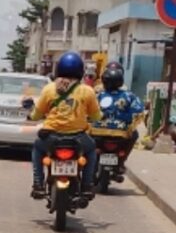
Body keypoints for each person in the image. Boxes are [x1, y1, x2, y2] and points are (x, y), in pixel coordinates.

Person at [23, 51, 102, 200]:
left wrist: (31, 114)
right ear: (81, 71)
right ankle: (86, 186)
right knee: (91, 151)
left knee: (37, 149)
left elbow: (36, 115)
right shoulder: (87, 91)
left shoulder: (49, 89)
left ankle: (38, 184)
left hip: (51, 137)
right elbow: (96, 116)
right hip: (78, 138)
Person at [91, 64, 144, 174]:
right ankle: (122, 159)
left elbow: (88, 110)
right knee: (135, 135)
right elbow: (138, 111)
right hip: (122, 133)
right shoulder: (129, 95)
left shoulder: (98, 95)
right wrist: (127, 119)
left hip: (98, 132)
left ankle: (89, 165)